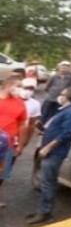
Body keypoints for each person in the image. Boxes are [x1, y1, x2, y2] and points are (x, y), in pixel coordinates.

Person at [26, 87, 71, 225]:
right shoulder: (65, 111)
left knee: (47, 182)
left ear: (68, 97)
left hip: (54, 153)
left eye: (62, 94)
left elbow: (66, 134)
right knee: (47, 181)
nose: (59, 96)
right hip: (51, 151)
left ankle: (45, 212)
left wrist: (48, 147)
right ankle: (42, 209)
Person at [0, 76, 27, 207]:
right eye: (18, 86)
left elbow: (22, 124)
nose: (20, 89)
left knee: (2, 174)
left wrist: (20, 145)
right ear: (8, 85)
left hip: (8, 145)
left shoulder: (19, 103)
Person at [16, 77, 42, 153]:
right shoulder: (10, 99)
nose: (28, 91)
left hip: (18, 136)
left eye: (31, 89)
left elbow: (31, 124)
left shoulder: (35, 104)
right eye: (26, 88)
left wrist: (25, 142)